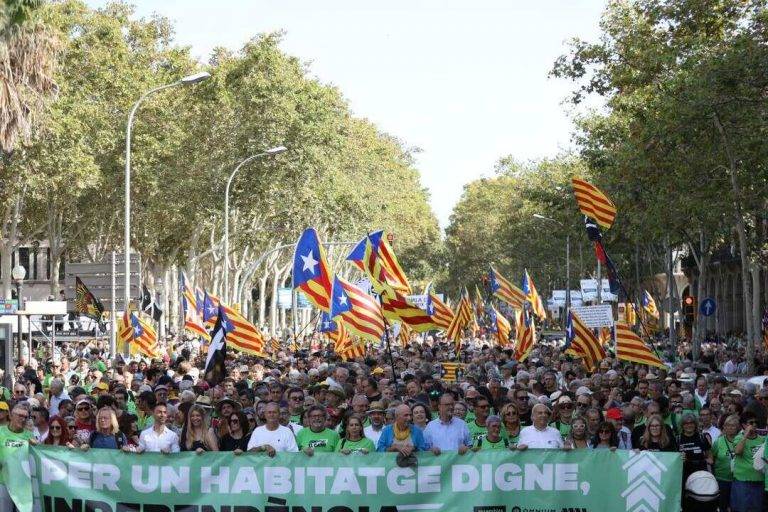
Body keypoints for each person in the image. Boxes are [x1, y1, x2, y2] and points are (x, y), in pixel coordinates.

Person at [0, 405, 35, 510]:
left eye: (25, 417)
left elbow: (39, 458)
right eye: (20, 415)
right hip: (3, 482)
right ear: (10, 415)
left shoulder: (30, 436)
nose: (23, 419)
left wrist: (36, 446)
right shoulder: (0, 432)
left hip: (23, 484)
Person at [731, 413, 765, 512]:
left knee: (757, 509)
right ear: (743, 425)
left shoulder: (762, 439)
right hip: (742, 481)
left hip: (758, 480)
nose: (754, 424)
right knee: (742, 509)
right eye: (751, 422)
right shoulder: (738, 438)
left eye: (756, 422)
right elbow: (737, 451)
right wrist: (745, 435)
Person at [711, 414, 739, 512]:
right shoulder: (718, 442)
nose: (730, 427)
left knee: (736, 507)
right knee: (722, 506)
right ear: (724, 427)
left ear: (737, 427)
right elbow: (711, 458)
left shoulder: (741, 440)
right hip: (721, 479)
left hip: (738, 480)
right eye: (728, 425)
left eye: (733, 425)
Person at [677, 412, 711, 481]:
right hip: (683, 475)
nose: (689, 425)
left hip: (701, 474)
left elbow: (710, 458)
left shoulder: (702, 437)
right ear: (682, 425)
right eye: (686, 423)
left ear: (695, 424)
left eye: (691, 423)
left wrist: (705, 461)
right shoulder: (677, 439)